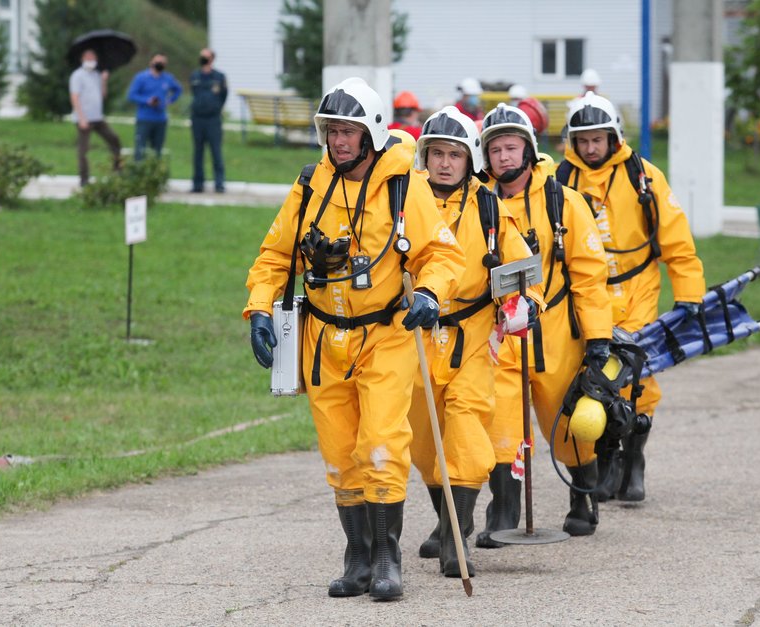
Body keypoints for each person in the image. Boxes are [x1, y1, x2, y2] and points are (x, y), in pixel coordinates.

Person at [243, 77, 465, 601]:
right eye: (331, 131)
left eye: (349, 131)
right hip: (323, 340)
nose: (339, 141)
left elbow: (441, 254)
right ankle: (358, 558)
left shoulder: (402, 184)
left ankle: (389, 558)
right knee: (340, 452)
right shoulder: (309, 185)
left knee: (382, 444)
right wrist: (258, 307)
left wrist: (430, 294)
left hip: (386, 335)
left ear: (371, 133)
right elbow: (276, 256)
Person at [407, 106, 543, 577]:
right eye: (436, 154)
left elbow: (524, 273)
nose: (444, 163)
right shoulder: (403, 203)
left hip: (473, 337)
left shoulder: (489, 208)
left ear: (470, 160)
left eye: (455, 155)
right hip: (414, 340)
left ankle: (455, 534)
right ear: (424, 156)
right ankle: (446, 518)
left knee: (466, 430)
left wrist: (527, 305)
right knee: (425, 443)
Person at [474, 103, 613, 547]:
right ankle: (505, 509)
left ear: (529, 151)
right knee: (500, 424)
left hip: (554, 332)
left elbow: (590, 277)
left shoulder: (563, 202)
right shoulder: (478, 204)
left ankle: (583, 496)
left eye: (512, 147)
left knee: (567, 421)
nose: (504, 157)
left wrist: (598, 339)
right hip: (500, 335)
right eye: (494, 150)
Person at [557, 91, 705, 504]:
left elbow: (676, 238)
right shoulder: (561, 179)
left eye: (597, 140)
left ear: (614, 138)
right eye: (582, 140)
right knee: (593, 377)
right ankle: (607, 461)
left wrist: (689, 292)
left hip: (638, 288)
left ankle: (634, 459)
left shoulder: (645, 176)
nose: (590, 148)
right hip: (588, 294)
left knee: (638, 379)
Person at [68, 49, 121, 187]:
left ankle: (118, 169)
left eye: (93, 57)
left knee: (114, 140)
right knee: (83, 149)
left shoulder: (97, 75)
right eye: (88, 57)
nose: (91, 60)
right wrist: (81, 118)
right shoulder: (77, 75)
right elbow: (75, 97)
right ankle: (84, 179)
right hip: (84, 118)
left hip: (97, 117)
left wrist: (104, 81)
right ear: (82, 59)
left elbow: (103, 95)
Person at [127, 54, 182, 161]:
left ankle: (154, 173)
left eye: (162, 63)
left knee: (157, 150)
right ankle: (139, 173)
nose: (159, 65)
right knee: (140, 148)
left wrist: (169, 101)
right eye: (157, 62)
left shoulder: (167, 78)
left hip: (160, 119)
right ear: (151, 62)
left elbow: (178, 90)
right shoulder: (141, 77)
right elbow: (131, 95)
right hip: (144, 118)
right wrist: (147, 100)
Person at [189, 48, 228, 193]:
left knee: (216, 152)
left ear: (212, 58)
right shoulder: (195, 76)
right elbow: (195, 93)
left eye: (205, 56)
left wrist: (215, 107)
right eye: (201, 56)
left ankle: (219, 183)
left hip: (213, 120)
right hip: (198, 119)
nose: (202, 59)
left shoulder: (219, 77)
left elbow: (223, 95)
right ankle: (197, 184)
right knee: (198, 152)